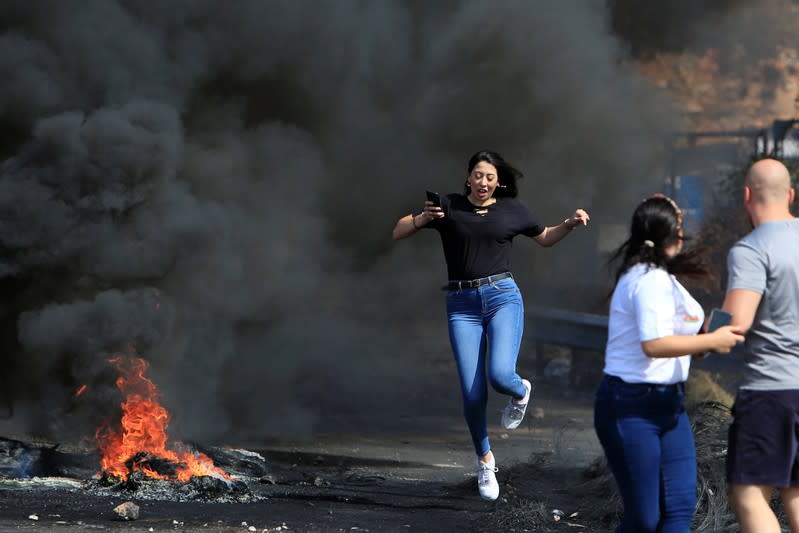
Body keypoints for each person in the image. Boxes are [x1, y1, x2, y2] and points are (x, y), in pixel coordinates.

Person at [392, 149, 590, 501]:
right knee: (472, 393)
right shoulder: (448, 206)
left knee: (500, 375)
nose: (483, 182)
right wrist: (423, 218)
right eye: (477, 175)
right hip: (461, 305)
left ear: (498, 182)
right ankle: (485, 460)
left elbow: (544, 236)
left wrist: (570, 225)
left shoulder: (513, 210)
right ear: (468, 177)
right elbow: (398, 231)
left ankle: (519, 390)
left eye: (490, 177)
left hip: (502, 298)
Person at [594, 194, 744, 532]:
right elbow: (653, 345)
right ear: (666, 235)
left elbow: (682, 344)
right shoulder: (645, 280)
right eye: (678, 225)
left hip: (669, 405)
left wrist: (705, 338)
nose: (683, 234)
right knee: (644, 519)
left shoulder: (666, 280)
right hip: (630, 406)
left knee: (678, 509)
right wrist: (710, 340)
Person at [720, 158, 799, 533]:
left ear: (746, 195)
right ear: (791, 195)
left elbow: (737, 322)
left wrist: (704, 325)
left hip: (772, 392)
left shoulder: (750, 250)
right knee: (796, 492)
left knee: (749, 494)